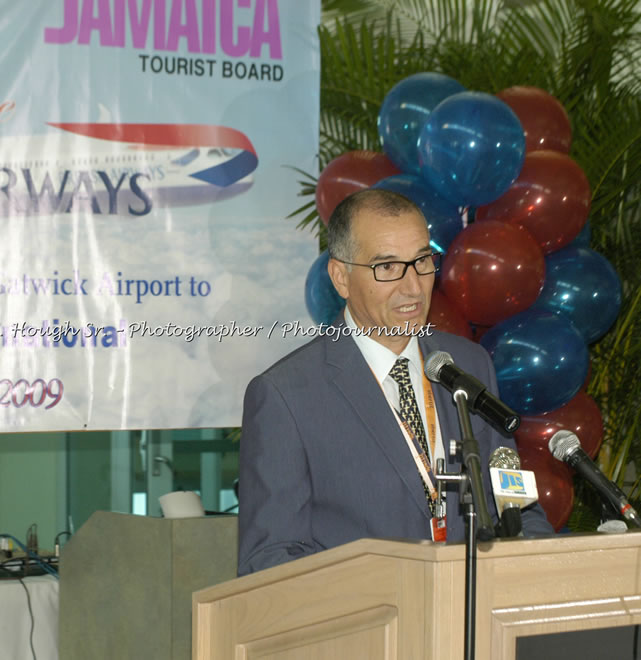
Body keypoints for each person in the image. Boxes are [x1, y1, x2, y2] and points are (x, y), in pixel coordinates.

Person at [237, 189, 553, 576]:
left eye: (422, 260)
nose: (412, 286)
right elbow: (269, 560)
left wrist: (544, 569)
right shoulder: (286, 396)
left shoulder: (468, 365)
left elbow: (514, 503)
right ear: (341, 278)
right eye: (387, 267)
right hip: (368, 626)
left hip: (473, 619)